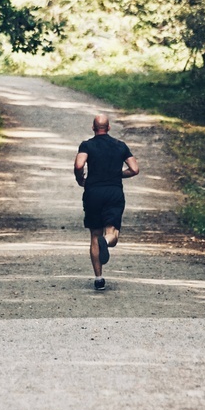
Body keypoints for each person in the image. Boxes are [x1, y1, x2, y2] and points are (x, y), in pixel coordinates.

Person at [74, 114, 139, 290]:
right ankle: (107, 240)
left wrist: (81, 180)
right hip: (113, 192)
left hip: (93, 192)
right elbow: (134, 169)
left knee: (94, 234)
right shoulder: (120, 146)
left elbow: (79, 165)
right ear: (109, 127)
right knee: (112, 232)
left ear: (93, 128)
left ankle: (99, 278)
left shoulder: (87, 145)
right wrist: (119, 174)